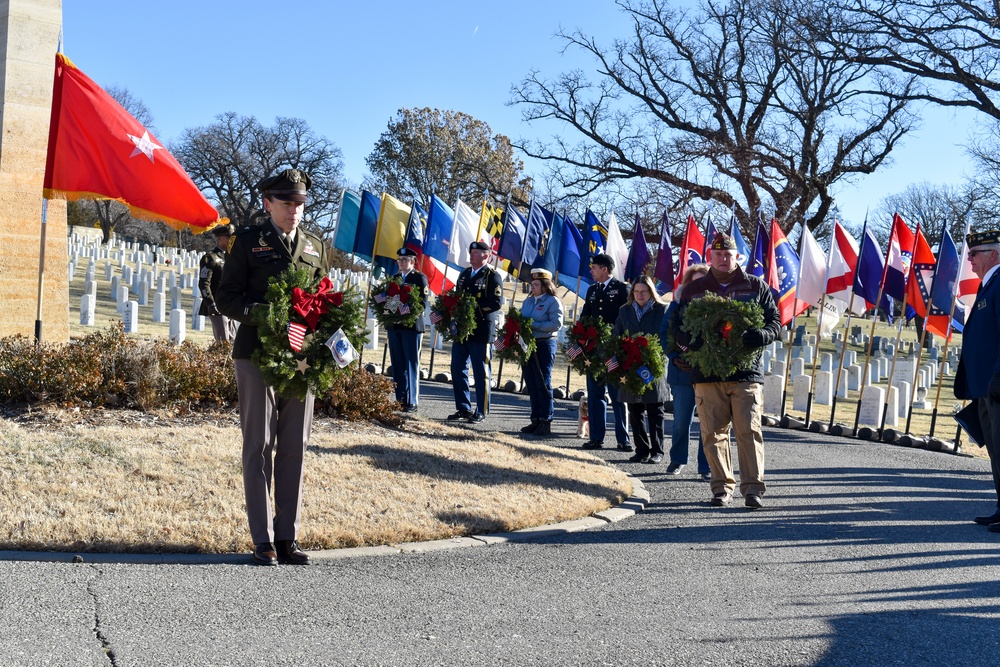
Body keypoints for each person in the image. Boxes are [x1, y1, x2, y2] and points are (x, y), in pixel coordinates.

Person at [216, 168, 330, 566]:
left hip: (301, 360)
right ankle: (262, 538)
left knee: (295, 447)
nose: (294, 210)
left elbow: (324, 300)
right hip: (256, 354)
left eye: (299, 203)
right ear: (268, 203)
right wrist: (263, 313)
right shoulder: (248, 242)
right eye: (286, 203)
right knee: (258, 447)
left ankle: (287, 537)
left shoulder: (315, 247)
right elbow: (225, 298)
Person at [672, 233, 780, 509]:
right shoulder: (694, 290)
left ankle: (753, 489)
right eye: (718, 254)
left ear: (737, 257)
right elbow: (677, 327)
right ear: (710, 257)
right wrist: (688, 343)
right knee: (712, 433)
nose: (723, 258)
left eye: (728, 254)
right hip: (707, 375)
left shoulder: (756, 286)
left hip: (746, 373)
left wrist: (763, 335)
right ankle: (721, 489)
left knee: (749, 431)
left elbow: (775, 322)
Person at [954, 230, 1000, 530]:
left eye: (975, 253)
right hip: (986, 386)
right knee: (996, 450)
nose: (968, 258)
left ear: (994, 254)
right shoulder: (989, 284)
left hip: (997, 385)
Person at [660, 263, 712, 479]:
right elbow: (665, 333)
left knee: (708, 423)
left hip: (709, 374)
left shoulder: (716, 306)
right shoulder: (677, 304)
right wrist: (674, 357)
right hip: (682, 374)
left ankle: (706, 466)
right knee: (681, 420)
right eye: (694, 281)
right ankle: (678, 459)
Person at [613, 275, 669, 463]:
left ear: (651, 292)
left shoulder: (662, 310)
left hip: (653, 366)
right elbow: (617, 335)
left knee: (655, 410)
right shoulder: (625, 311)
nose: (640, 295)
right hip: (630, 366)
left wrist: (652, 356)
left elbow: (666, 338)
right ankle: (641, 450)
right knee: (635, 410)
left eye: (643, 291)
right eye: (636, 291)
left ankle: (657, 451)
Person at [580, 254, 632, 452]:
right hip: (594, 351)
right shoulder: (592, 290)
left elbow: (625, 319)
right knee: (595, 394)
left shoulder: (621, 288)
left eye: (594, 268)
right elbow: (586, 315)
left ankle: (623, 438)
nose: (591, 271)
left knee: (617, 395)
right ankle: (596, 437)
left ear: (604, 269)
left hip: (613, 350)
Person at [448, 241, 504, 423]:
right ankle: (463, 407)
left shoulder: (492, 276)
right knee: (457, 368)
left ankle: (482, 410)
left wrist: (472, 311)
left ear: (486, 256)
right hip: (463, 331)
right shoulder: (464, 274)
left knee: (481, 371)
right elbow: (458, 297)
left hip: (481, 330)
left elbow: (496, 302)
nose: (471, 255)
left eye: (476, 252)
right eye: (471, 251)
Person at [519, 268, 565, 436]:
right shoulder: (528, 301)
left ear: (546, 285)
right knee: (531, 382)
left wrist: (534, 325)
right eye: (532, 284)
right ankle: (535, 419)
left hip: (544, 344)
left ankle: (546, 420)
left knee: (543, 383)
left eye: (537, 284)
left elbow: (556, 324)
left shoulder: (553, 301)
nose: (533, 287)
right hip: (527, 345)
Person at [386, 247, 428, 413]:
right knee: (397, 364)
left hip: (411, 327)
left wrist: (407, 311)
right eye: (399, 260)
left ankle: (412, 401)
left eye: (405, 260)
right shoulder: (395, 278)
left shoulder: (419, 278)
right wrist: (390, 309)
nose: (401, 262)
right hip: (395, 326)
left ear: (413, 261)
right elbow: (389, 299)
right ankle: (400, 399)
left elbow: (422, 302)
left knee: (411, 363)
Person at [198, 224, 237, 342]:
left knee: (233, 341)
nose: (232, 241)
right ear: (220, 238)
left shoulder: (232, 257)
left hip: (231, 305)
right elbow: (204, 283)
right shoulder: (210, 258)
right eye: (229, 237)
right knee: (223, 342)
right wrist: (210, 303)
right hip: (218, 306)